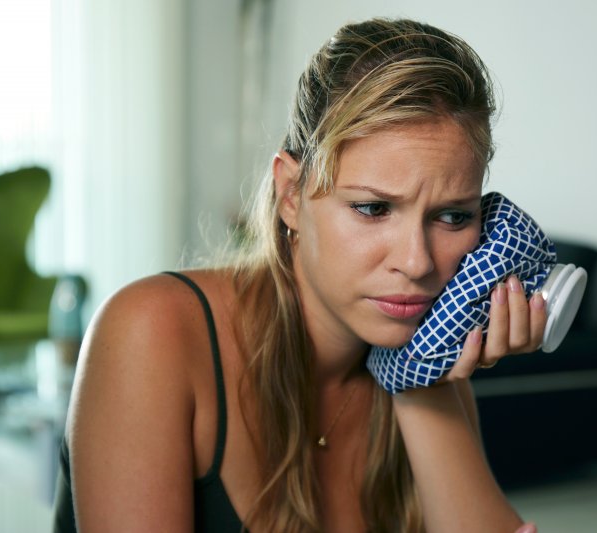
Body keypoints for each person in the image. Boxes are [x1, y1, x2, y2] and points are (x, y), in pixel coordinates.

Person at [53, 17, 546, 533]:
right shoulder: (150, 333)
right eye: (374, 209)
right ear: (291, 195)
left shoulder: (428, 366)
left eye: (452, 216)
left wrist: (420, 381)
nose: (418, 262)